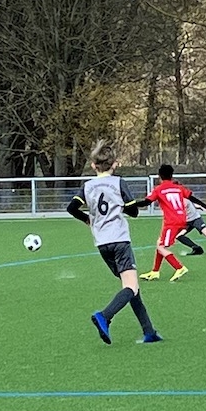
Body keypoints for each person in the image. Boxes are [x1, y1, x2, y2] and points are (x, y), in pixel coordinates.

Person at [68, 143, 162, 345]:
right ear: (115, 164)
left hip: (102, 243)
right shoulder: (119, 183)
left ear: (93, 166)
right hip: (119, 240)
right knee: (131, 287)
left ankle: (149, 331)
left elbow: (72, 208)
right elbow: (133, 212)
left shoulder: (87, 186)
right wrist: (122, 206)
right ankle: (104, 316)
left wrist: (87, 219)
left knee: (131, 287)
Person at [136, 164, 195, 282]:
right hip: (182, 219)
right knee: (159, 242)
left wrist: (130, 204)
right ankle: (155, 271)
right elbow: (191, 197)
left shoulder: (159, 189)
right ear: (172, 176)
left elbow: (146, 203)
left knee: (161, 247)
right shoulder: (178, 187)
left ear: (159, 176)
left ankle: (179, 267)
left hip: (171, 222)